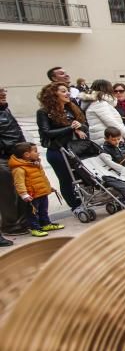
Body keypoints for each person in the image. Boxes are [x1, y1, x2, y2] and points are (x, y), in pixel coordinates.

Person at [36, 82, 88, 210]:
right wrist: (70, 128)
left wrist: (79, 126)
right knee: (66, 180)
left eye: (68, 91)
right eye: (63, 91)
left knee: (83, 176)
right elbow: (47, 132)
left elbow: (85, 126)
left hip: (75, 149)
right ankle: (74, 206)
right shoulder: (43, 112)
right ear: (54, 95)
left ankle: (85, 198)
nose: (68, 93)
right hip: (58, 151)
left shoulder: (72, 108)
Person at [8, 141, 63, 238]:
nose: (38, 153)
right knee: (32, 213)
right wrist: (24, 194)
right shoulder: (19, 169)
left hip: (42, 193)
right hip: (32, 196)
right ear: (27, 155)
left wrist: (48, 188)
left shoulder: (36, 164)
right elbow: (19, 183)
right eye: (35, 151)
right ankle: (35, 228)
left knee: (43, 210)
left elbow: (42, 178)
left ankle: (46, 224)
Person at [0, 85, 29, 244]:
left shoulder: (5, 110)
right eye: (0, 93)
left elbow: (15, 131)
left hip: (14, 155)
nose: (3, 94)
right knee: (8, 195)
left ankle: (21, 223)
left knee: (21, 189)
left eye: (3, 91)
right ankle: (11, 225)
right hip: (3, 158)